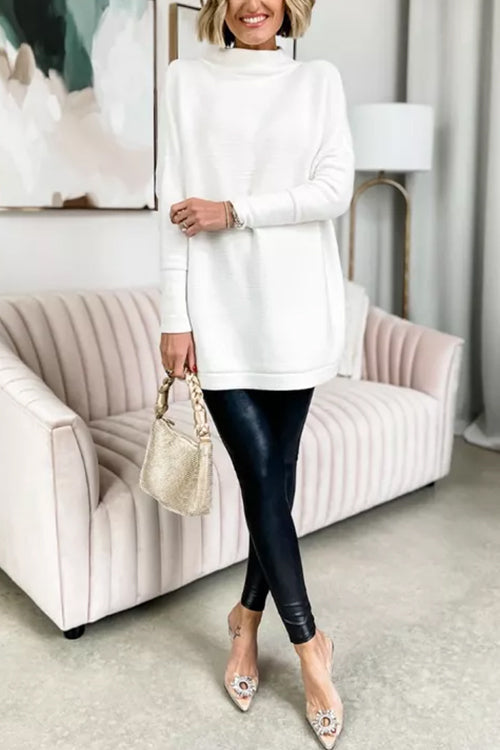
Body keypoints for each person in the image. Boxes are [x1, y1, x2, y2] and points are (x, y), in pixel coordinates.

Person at [158, 1, 354, 747]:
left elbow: (334, 190)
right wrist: (174, 315)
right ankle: (310, 649)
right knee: (264, 476)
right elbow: (171, 207)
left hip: (297, 310)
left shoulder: (317, 81)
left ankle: (245, 622)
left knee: (272, 481)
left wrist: (234, 210)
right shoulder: (186, 80)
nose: (253, 4)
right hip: (219, 314)